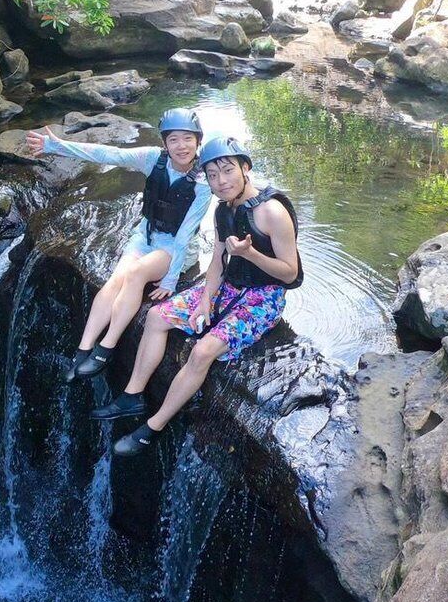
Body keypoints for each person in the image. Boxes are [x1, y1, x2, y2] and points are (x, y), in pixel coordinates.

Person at [93, 136, 303, 456]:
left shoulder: (272, 212)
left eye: (228, 171)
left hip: (264, 298)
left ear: (245, 168)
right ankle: (132, 395)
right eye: (213, 175)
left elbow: (290, 273)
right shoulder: (223, 211)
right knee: (156, 316)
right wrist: (205, 300)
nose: (221, 181)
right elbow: (217, 260)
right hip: (229, 286)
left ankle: (153, 427)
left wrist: (251, 255)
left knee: (203, 351)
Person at [25, 109, 211, 389]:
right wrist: (56, 146)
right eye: (174, 139)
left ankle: (105, 349)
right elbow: (109, 154)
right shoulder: (153, 159)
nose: (181, 146)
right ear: (165, 143)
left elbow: (185, 234)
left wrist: (171, 279)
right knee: (115, 280)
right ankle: (83, 350)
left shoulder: (203, 181)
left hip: (176, 248)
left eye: (188, 138)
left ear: (198, 141)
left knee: (136, 273)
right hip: (146, 236)